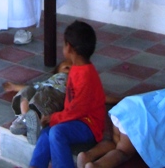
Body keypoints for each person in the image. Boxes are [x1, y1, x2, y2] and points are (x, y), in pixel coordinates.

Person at [29, 20, 107, 168]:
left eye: (64, 44)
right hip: (75, 119)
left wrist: (55, 118)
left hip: (89, 125)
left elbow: (77, 111)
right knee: (47, 133)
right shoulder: (77, 68)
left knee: (57, 132)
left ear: (69, 47)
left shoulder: (86, 76)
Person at [6, 60, 71, 144]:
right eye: (67, 68)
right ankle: (25, 117)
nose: (70, 71)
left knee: (41, 99)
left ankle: (32, 122)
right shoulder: (48, 82)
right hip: (41, 93)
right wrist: (14, 87)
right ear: (56, 72)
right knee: (27, 90)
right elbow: (33, 87)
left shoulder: (70, 82)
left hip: (54, 95)